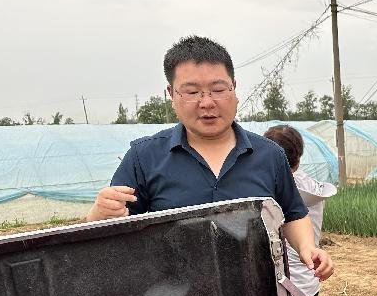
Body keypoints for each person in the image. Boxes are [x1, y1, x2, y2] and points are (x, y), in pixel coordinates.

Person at [85, 35, 333, 282]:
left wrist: (306, 247)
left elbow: (292, 213)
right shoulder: (144, 157)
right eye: (192, 91)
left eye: (218, 90)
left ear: (234, 87)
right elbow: (113, 232)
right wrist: (98, 215)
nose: (207, 102)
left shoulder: (269, 155)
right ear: (171, 94)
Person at [264, 124, 337, 296]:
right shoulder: (311, 185)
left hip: (285, 286)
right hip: (309, 282)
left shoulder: (275, 189)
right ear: (299, 155)